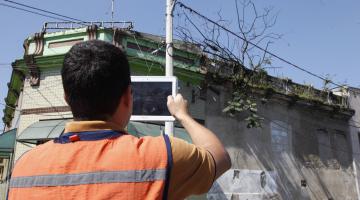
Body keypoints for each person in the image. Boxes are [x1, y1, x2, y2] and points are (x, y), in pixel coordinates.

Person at [8, 40, 231, 200]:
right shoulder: (161, 156)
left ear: (67, 97)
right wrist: (183, 115)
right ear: (127, 97)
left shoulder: (24, 167)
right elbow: (219, 157)